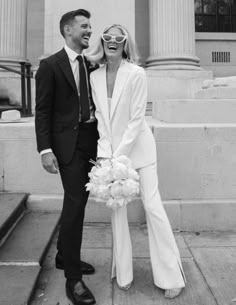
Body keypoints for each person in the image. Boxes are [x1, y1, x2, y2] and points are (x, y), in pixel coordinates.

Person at [87, 24, 186, 299]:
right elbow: (102, 122)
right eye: (108, 36)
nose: (113, 41)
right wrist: (106, 159)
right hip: (111, 154)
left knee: (153, 208)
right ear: (102, 42)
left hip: (139, 152)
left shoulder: (137, 73)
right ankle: (123, 273)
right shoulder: (94, 77)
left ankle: (171, 276)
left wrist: (120, 157)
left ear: (125, 44)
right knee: (116, 212)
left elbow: (136, 119)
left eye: (119, 37)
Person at [35, 9, 99, 305]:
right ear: (67, 30)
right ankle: (73, 279)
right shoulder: (50, 65)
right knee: (75, 204)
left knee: (78, 202)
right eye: (84, 26)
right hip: (67, 147)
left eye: (89, 26)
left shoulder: (90, 64)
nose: (89, 31)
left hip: (91, 144)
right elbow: (43, 110)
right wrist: (45, 149)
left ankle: (63, 255)